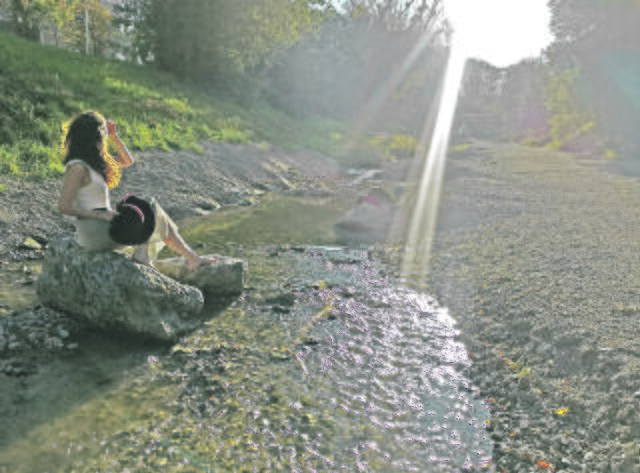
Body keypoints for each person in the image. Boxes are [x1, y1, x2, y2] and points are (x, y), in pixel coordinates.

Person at [57, 110, 213, 269]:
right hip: (95, 233)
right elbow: (64, 206)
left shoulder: (95, 162)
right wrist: (100, 214)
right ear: (96, 135)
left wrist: (115, 136)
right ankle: (150, 255)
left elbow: (127, 161)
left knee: (154, 212)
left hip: (106, 225)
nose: (105, 137)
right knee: (149, 206)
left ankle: (190, 258)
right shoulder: (77, 167)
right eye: (104, 132)